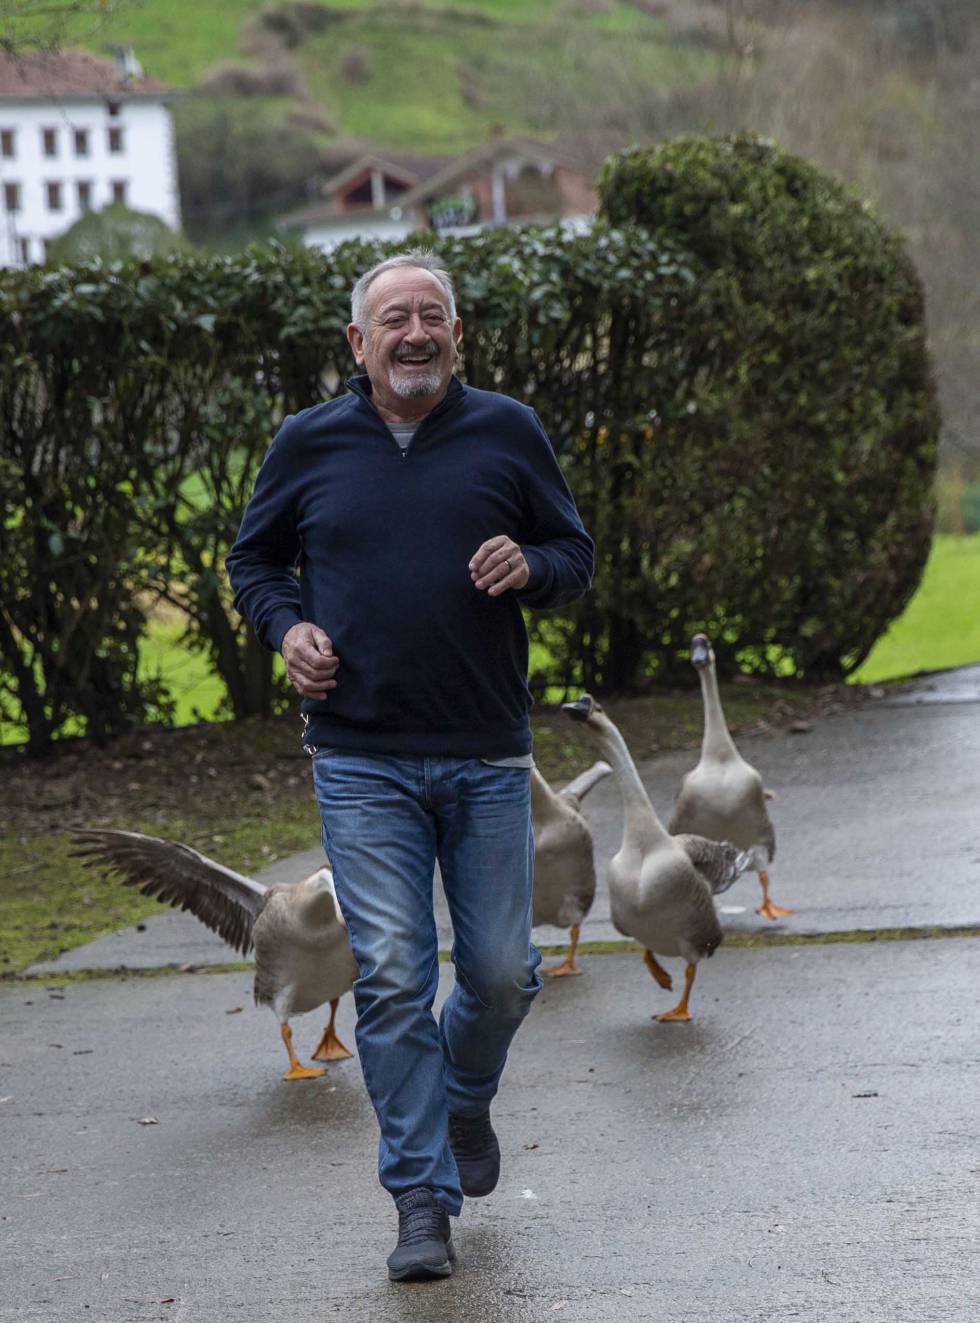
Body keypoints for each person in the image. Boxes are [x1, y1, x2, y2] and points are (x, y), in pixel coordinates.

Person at [227, 249, 593, 1282]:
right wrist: (287, 628)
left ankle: (463, 1099)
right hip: (361, 757)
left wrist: (531, 564)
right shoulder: (308, 442)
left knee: (501, 974)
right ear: (359, 341)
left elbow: (573, 557)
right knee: (392, 973)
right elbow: (254, 562)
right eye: (395, 319)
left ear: (457, 335)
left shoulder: (507, 431)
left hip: (486, 753)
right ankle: (421, 1198)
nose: (416, 333)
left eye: (433, 315)